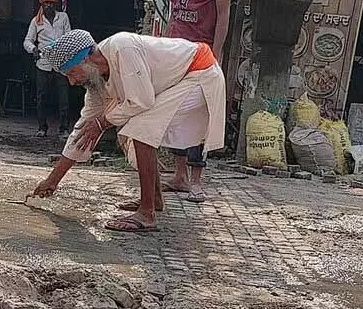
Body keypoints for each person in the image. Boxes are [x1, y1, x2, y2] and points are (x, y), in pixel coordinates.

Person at [29, 29, 225, 232]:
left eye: (71, 73)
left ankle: (147, 214)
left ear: (86, 59)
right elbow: (83, 130)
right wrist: (52, 181)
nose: (71, 82)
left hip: (200, 73)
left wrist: (102, 123)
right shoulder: (97, 82)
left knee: (140, 128)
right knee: (137, 128)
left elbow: (141, 101)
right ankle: (154, 200)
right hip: (182, 79)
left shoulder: (123, 48)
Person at [160, 0, 232, 201]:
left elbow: (224, 15)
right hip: (176, 53)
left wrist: (216, 54)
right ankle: (178, 176)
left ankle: (197, 181)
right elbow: (174, 12)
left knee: (200, 117)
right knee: (176, 115)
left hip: (202, 54)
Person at [23, 0, 72, 138]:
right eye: (46, 4)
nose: (49, 6)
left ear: (55, 5)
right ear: (42, 6)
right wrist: (33, 49)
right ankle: (42, 127)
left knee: (64, 98)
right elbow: (27, 41)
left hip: (61, 64)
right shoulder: (36, 21)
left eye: (51, 3)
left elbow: (69, 36)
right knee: (42, 97)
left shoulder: (63, 17)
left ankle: (64, 129)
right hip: (43, 64)